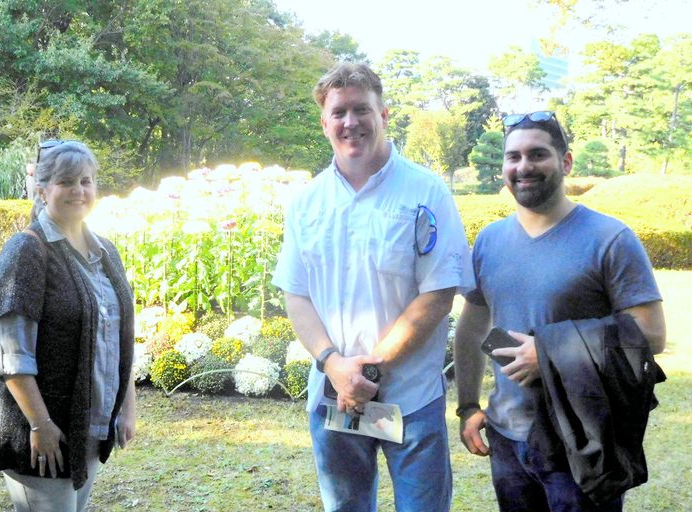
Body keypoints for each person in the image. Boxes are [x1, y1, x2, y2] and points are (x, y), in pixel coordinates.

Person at [272, 62, 474, 512]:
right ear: (325, 123)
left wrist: (367, 371)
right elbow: (296, 293)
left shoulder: (427, 192)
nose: (351, 122)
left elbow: (439, 293)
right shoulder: (307, 203)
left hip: (411, 400)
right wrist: (333, 364)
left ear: (383, 115)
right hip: (333, 399)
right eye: (339, 112)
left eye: (362, 109)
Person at [453, 111, 667, 512]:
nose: (523, 167)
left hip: (581, 439)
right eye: (513, 157)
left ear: (565, 162)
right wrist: (467, 405)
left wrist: (550, 352)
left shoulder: (610, 238)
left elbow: (651, 335)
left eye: (538, 154)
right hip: (507, 437)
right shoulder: (488, 240)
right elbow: (473, 323)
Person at [0, 140, 137, 512]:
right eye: (66, 181)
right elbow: (9, 353)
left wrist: (127, 405)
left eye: (86, 181)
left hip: (89, 426)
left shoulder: (105, 251)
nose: (78, 191)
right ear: (42, 189)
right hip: (41, 434)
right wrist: (41, 425)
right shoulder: (26, 251)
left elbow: (120, 335)